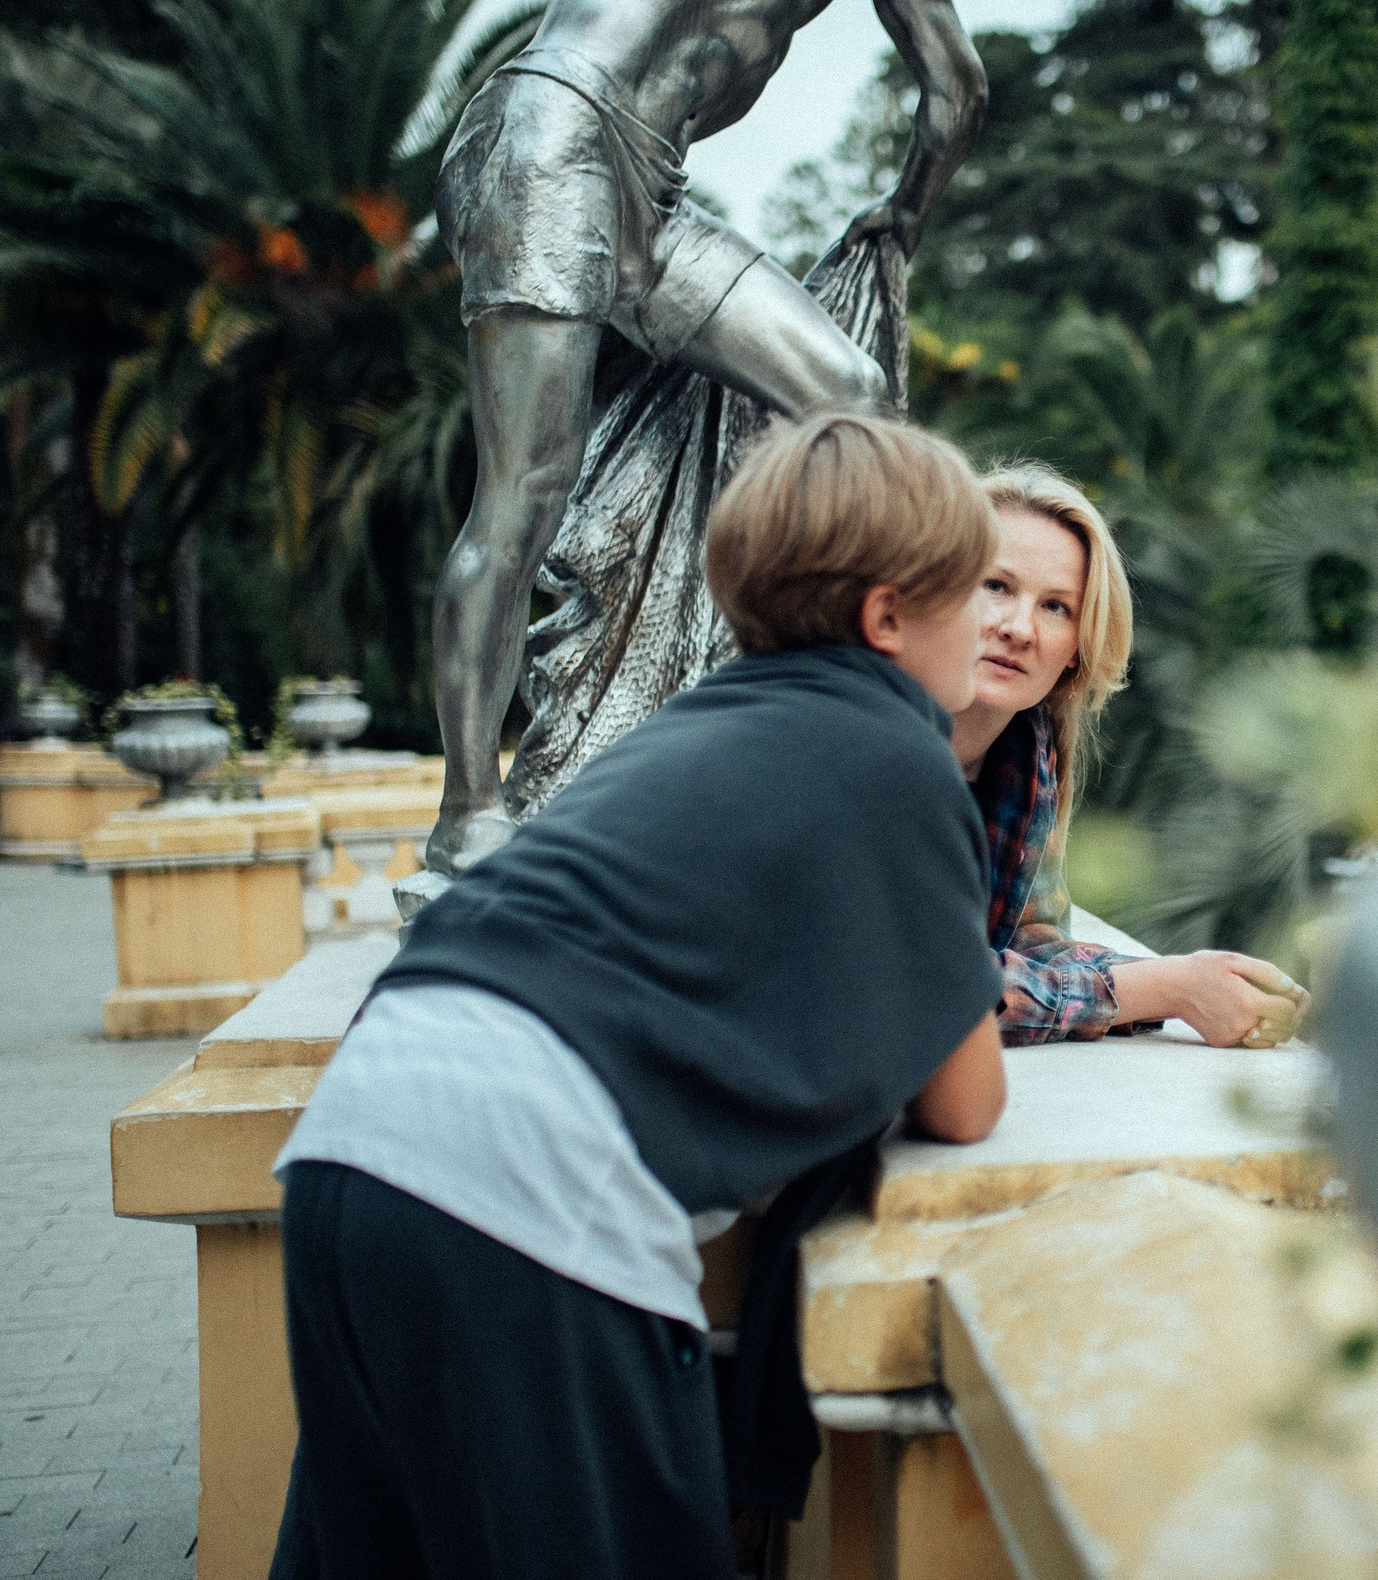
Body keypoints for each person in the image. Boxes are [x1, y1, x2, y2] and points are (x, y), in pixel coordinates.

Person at [266, 413, 1008, 1580]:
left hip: (355, 1138)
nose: (997, 622)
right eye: (978, 591)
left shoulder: (690, 726)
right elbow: (965, 1099)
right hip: (519, 1188)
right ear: (886, 618)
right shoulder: (896, 753)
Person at [424, 0, 987, 879]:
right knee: (520, 497)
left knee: (848, 396)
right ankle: (467, 811)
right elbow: (957, 85)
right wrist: (906, 208)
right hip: (553, 135)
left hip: (649, 184)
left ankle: (745, 714)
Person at [961, 466, 1310, 1049]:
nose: (1020, 628)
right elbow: (938, 986)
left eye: (1056, 607)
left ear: (1077, 649)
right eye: (996, 586)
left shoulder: (1025, 745)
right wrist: (1167, 988)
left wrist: (1209, 981)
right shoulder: (882, 743)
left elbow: (1030, 947)